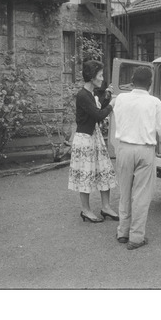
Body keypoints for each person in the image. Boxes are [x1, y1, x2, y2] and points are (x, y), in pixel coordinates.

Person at [113, 66, 161, 250]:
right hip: (145, 150)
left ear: (132, 81)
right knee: (141, 195)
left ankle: (122, 232)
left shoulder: (120, 99)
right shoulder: (154, 103)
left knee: (125, 192)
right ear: (150, 83)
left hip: (123, 148)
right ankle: (136, 237)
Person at [68, 60, 118, 223]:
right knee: (86, 174)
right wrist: (112, 105)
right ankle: (86, 210)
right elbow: (98, 115)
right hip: (85, 139)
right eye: (100, 75)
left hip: (94, 136)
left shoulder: (90, 94)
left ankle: (106, 207)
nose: (102, 78)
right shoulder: (83, 95)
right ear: (91, 77)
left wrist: (107, 96)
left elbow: (97, 108)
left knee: (104, 170)